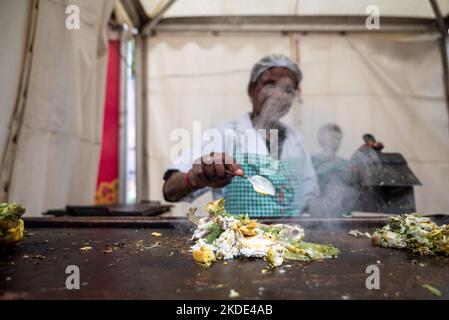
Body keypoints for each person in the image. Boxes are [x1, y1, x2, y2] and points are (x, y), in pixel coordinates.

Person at [162, 54, 318, 216]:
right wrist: (195, 178)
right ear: (251, 90)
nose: (278, 95)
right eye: (270, 84)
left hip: (293, 239)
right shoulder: (224, 134)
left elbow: (310, 195)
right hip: (239, 239)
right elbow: (169, 190)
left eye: (288, 89)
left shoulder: (296, 141)